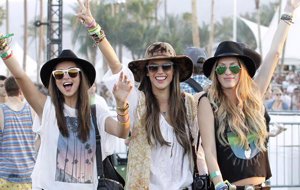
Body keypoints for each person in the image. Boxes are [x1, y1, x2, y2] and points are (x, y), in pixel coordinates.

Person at [77, 0, 207, 189]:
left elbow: (202, 148)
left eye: (166, 66)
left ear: (175, 70)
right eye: (153, 67)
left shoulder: (189, 104)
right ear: (146, 71)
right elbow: (115, 66)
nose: (159, 72)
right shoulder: (139, 102)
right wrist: (93, 27)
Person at [0, 36, 132, 189]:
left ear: (81, 77)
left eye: (72, 72)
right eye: (59, 74)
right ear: (54, 80)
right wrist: (4, 49)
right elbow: (20, 76)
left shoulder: (96, 111)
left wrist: (121, 103)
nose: (66, 77)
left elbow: (122, 132)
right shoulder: (48, 108)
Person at [197, 1, 300, 189]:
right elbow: (209, 150)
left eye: (234, 66)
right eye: (222, 68)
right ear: (215, 73)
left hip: (262, 186)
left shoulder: (254, 95)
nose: (228, 72)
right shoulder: (208, 102)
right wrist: (219, 183)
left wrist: (289, 10)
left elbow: (275, 54)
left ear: (242, 71)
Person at [0, 76, 36, 190]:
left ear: (6, 89)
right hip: (29, 176)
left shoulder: (1, 110)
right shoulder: (32, 110)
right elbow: (38, 140)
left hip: (6, 177)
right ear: (21, 90)